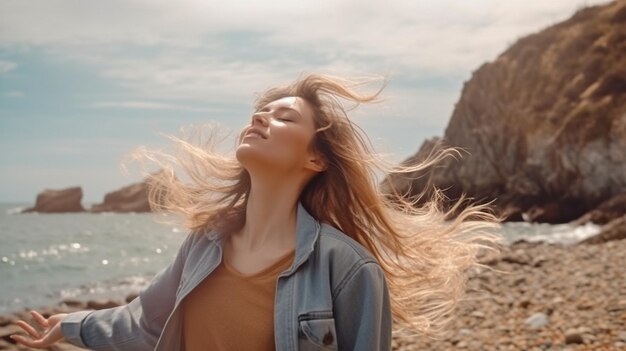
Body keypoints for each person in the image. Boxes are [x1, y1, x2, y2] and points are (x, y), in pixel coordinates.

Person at [11, 74, 499, 350]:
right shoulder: (204, 244)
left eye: (285, 117)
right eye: (260, 113)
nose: (261, 117)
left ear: (315, 158)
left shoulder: (347, 270)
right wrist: (65, 327)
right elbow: (144, 324)